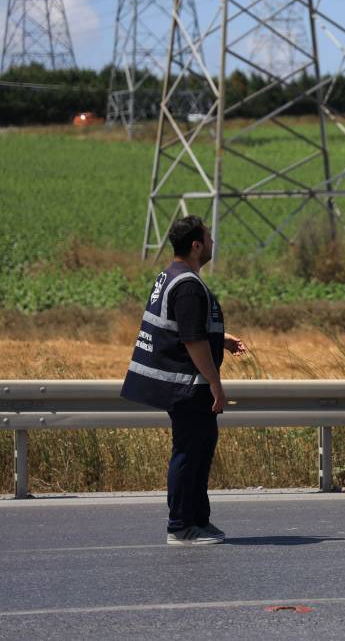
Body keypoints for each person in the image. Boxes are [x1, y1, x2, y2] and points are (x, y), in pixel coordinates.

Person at [120, 216, 246, 546]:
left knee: (200, 450)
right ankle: (180, 526)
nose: (213, 243)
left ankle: (197, 521)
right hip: (186, 384)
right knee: (190, 452)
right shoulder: (188, 285)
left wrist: (221, 339)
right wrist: (215, 382)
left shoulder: (171, 276)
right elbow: (191, 340)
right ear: (196, 245)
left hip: (184, 383)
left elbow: (184, 328)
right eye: (209, 237)